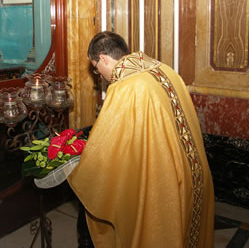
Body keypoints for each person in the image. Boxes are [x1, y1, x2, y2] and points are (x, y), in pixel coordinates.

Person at [67, 31, 215, 248]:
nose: (100, 76)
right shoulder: (164, 70)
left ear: (104, 59)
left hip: (167, 184)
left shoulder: (125, 87)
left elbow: (105, 146)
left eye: (97, 70)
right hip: (194, 173)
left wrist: (82, 170)